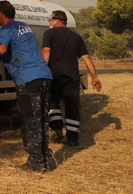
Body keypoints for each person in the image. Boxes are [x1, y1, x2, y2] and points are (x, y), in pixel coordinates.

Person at [0, 0, 56, 172]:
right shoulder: (24, 26)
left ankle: (36, 164)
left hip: (28, 79)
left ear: (1, 14)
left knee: (30, 121)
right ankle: (46, 159)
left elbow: (2, 50)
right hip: (45, 76)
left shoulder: (6, 29)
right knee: (42, 120)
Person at [41, 9, 102, 147]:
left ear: (56, 20)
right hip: (72, 77)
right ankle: (73, 138)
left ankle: (56, 128)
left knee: (52, 102)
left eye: (50, 19)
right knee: (72, 107)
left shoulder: (49, 33)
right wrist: (94, 77)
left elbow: (46, 51)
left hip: (53, 75)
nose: (49, 22)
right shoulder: (76, 37)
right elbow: (86, 58)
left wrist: (42, 71)